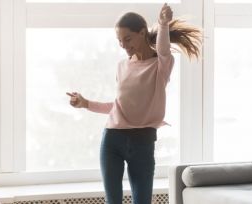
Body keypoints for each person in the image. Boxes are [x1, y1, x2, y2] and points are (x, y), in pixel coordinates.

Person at [66, 3, 201, 204]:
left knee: (142, 200)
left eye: (127, 39)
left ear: (142, 33)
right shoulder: (122, 66)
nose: (123, 45)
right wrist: (86, 103)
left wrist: (163, 24)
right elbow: (119, 106)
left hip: (142, 141)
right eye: (119, 41)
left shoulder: (160, 65)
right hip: (112, 139)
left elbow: (163, 50)